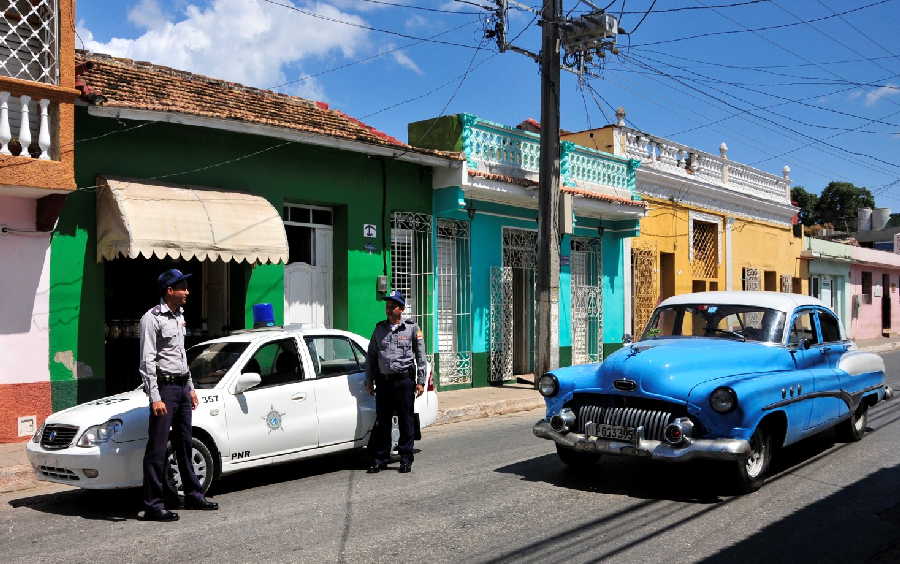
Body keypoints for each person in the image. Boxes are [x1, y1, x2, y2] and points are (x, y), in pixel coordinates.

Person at [138, 268, 218, 521]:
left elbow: (181, 355)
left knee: (185, 442)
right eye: (182, 287)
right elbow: (147, 361)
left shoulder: (179, 315)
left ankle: (194, 495)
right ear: (169, 290)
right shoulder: (151, 319)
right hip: (164, 389)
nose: (187, 292)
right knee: (158, 448)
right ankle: (153, 504)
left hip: (182, 387)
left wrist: (191, 388)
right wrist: (155, 397)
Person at [365, 290, 426, 474]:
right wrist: (369, 380)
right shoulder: (379, 329)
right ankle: (381, 458)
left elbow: (421, 356)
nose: (388, 310)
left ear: (401, 309)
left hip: (404, 381)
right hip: (384, 383)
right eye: (387, 306)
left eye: (392, 306)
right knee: (382, 422)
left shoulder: (411, 328)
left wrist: (421, 381)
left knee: (406, 420)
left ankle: (406, 458)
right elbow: (372, 356)